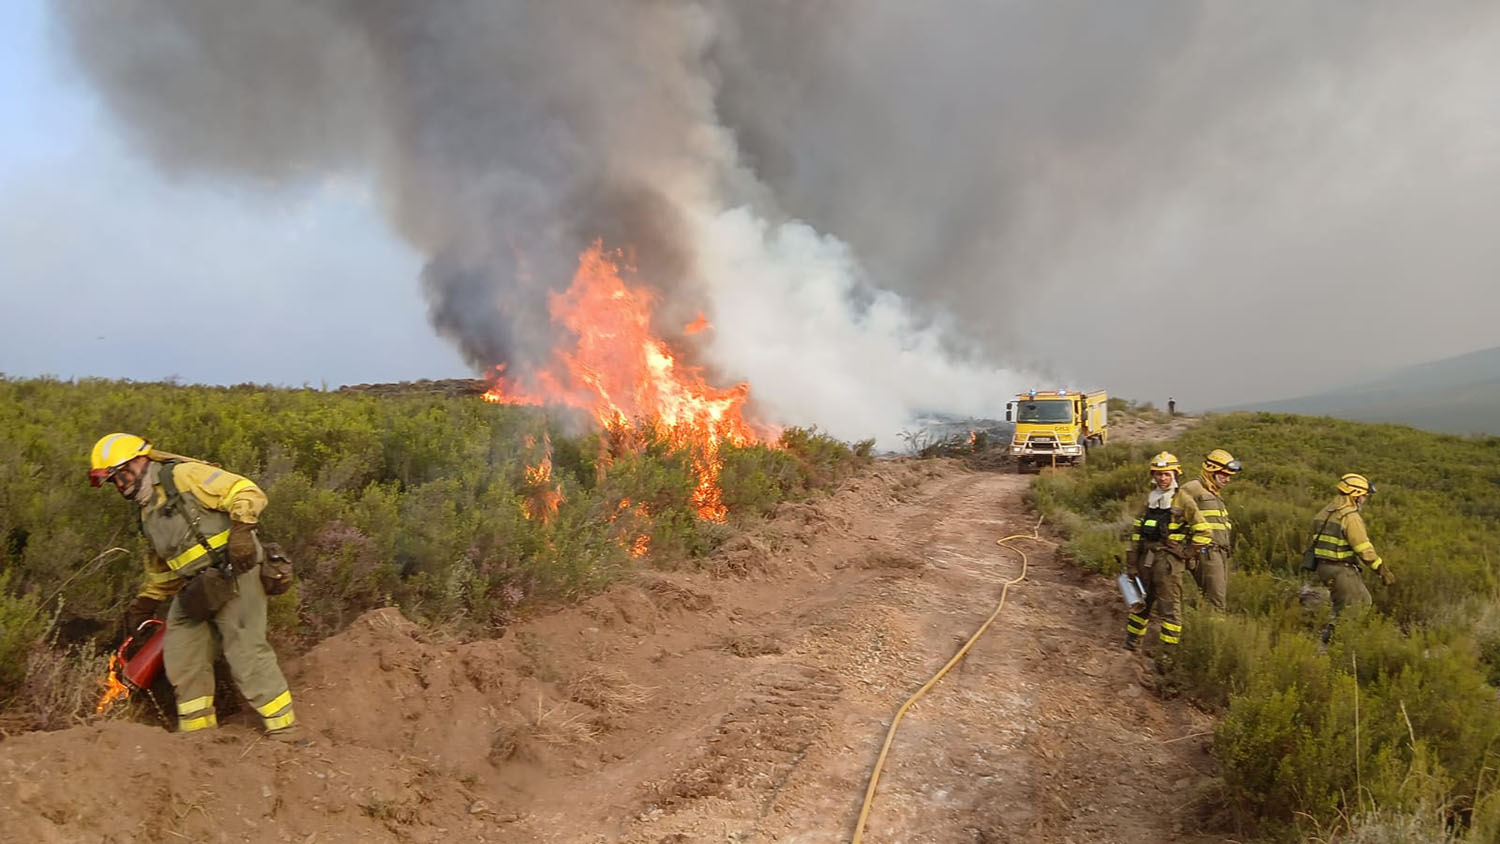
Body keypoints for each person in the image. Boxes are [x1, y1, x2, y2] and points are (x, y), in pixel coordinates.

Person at [90, 433, 301, 741]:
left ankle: (286, 732)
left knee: (245, 651)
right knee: (182, 653)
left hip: (236, 572)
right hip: (198, 587)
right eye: (113, 481)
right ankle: (200, 740)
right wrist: (145, 603)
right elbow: (163, 568)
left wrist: (241, 531)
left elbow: (244, 489)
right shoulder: (147, 511)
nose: (120, 485)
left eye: (121, 475)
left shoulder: (183, 475)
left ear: (140, 461)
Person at [1310, 473, 1393, 638]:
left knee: (1350, 604)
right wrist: (1382, 570)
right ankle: (1335, 643)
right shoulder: (1350, 517)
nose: (1364, 500)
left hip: (1323, 567)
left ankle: (1332, 639)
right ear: (1355, 494)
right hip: (1340, 569)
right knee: (1358, 605)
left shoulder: (1325, 511)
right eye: (1363, 496)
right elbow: (1364, 548)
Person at [1124, 452, 1187, 656]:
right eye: (1159, 474)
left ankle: (1167, 656)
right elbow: (1135, 533)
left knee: (1169, 608)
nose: (1162, 478)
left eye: (1167, 474)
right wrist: (1132, 563)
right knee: (1141, 603)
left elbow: (1203, 531)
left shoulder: (1183, 500)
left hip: (1168, 563)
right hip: (1146, 561)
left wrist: (1185, 552)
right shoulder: (1150, 500)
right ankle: (1132, 644)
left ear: (1175, 474)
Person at [1175, 448, 1240, 610]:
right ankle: (1215, 631)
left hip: (1220, 553)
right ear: (1211, 471)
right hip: (1206, 552)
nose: (1227, 479)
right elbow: (1175, 520)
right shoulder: (1191, 489)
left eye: (1230, 476)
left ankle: (1206, 624)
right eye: (1224, 475)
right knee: (1216, 601)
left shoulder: (1215, 493)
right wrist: (1186, 551)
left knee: (1216, 597)